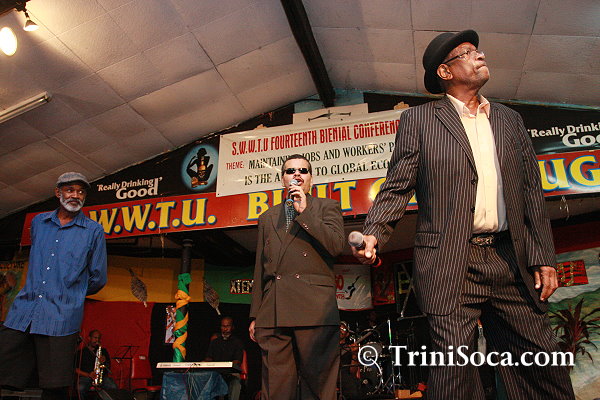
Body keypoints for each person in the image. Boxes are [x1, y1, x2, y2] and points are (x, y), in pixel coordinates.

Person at [352, 30, 574, 399]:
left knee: (541, 360)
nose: (480, 56)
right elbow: (397, 185)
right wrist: (374, 231)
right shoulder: (420, 120)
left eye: (478, 50)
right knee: (454, 370)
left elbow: (531, 193)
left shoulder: (509, 119)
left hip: (509, 258)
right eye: (468, 53)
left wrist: (543, 257)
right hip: (450, 261)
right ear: (445, 72)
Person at [0, 172, 107, 400]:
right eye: (70, 190)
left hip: (61, 316)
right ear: (58, 193)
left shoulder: (93, 231)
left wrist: (71, 295)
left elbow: (98, 278)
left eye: (80, 192)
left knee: (55, 386)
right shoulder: (39, 222)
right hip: (25, 310)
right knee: (5, 368)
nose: (75, 195)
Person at [249, 154, 345, 400]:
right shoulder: (267, 217)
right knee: (276, 388)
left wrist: (305, 212)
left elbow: (336, 246)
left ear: (311, 179)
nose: (297, 174)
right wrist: (256, 314)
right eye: (290, 171)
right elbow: (260, 267)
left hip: (314, 308)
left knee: (318, 386)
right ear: (283, 179)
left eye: (303, 170)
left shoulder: (327, 207)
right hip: (273, 310)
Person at [204, 316, 244, 400]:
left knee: (236, 379)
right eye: (223, 326)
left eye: (227, 326)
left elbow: (237, 361)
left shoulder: (237, 342)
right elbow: (209, 357)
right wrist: (203, 363)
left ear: (232, 327)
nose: (225, 329)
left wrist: (227, 365)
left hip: (231, 373)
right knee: (205, 377)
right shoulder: (215, 342)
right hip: (216, 372)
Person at [75, 329, 118, 399]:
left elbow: (108, 367)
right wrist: (88, 374)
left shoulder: (103, 351)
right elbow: (75, 369)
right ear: (89, 338)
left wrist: (104, 362)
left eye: (98, 338)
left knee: (113, 386)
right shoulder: (81, 352)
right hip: (86, 377)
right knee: (80, 388)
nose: (97, 340)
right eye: (95, 338)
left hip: (101, 378)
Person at [338, 322, 361, 400]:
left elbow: (353, 372)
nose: (340, 330)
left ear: (347, 334)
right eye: (338, 328)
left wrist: (354, 354)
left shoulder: (350, 348)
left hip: (344, 375)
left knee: (352, 388)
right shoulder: (329, 347)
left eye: (343, 329)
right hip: (330, 375)